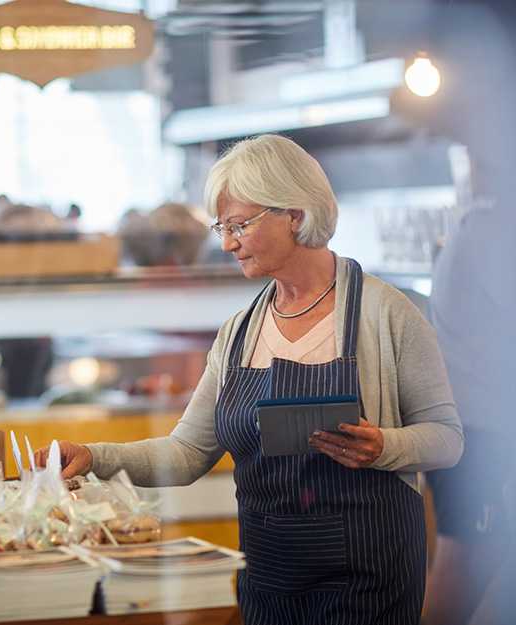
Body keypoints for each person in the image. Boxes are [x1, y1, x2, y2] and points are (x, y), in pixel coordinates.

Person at [37, 134, 463, 624]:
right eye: (221, 226)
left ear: (295, 215)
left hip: (366, 579)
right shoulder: (239, 331)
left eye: (239, 224)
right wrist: (96, 457)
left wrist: (383, 446)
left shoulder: (386, 314)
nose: (226, 243)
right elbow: (187, 453)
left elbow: (447, 439)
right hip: (267, 579)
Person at [423, 206, 509, 625]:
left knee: (482, 556)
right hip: (479, 428)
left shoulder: (478, 226)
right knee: (466, 557)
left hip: (476, 422)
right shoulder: (489, 228)